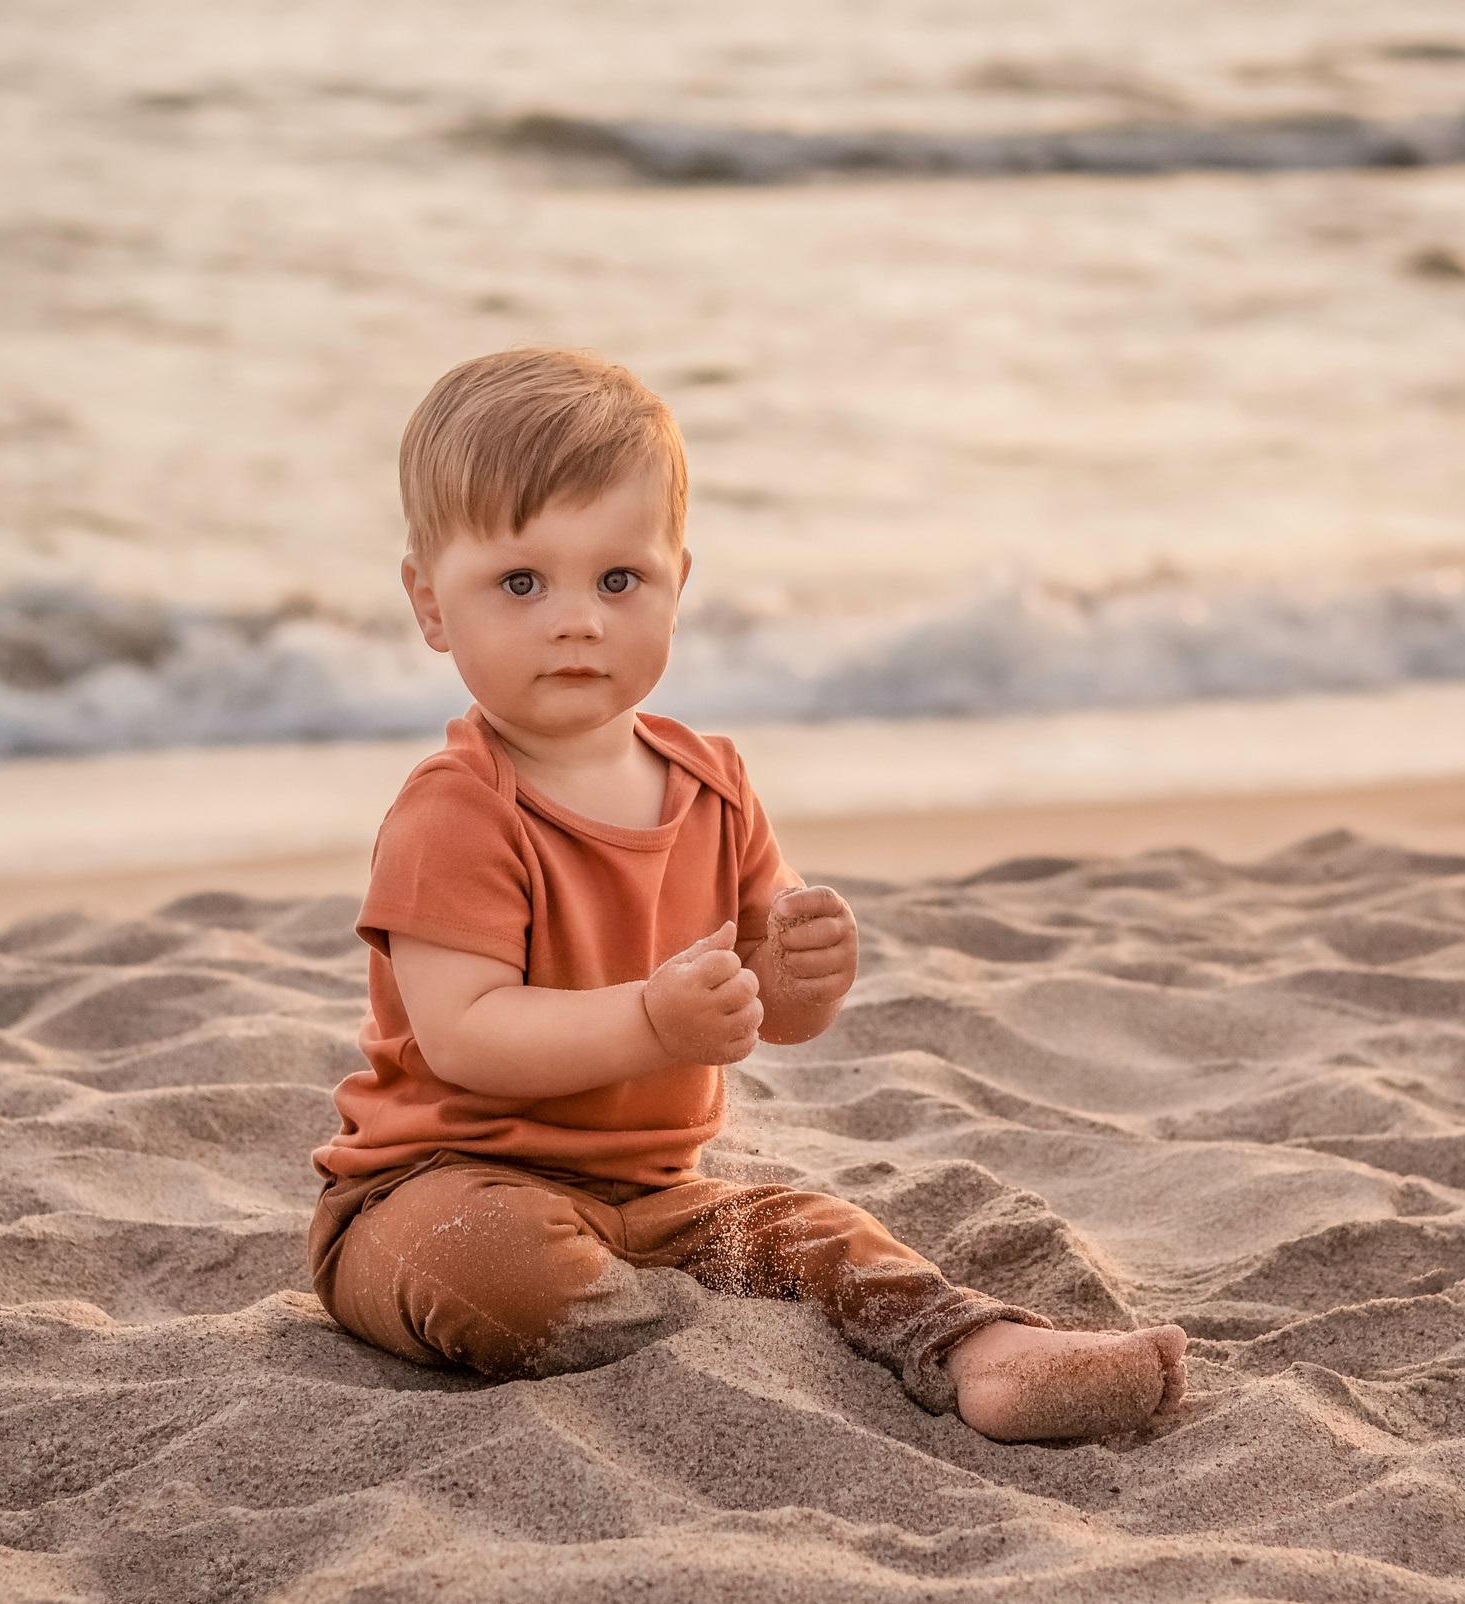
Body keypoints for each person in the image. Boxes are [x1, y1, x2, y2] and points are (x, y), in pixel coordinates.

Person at [307, 347, 1185, 1442]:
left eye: (618, 580)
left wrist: (802, 973)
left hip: (655, 1195)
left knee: (821, 1235)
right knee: (492, 1269)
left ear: (677, 583)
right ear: (430, 603)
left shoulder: (712, 783)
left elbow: (774, 1009)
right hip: (439, 1184)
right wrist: (651, 1021)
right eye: (521, 583)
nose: (577, 620)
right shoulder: (455, 809)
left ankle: (983, 1350)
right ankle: (686, 1323)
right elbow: (466, 1035)